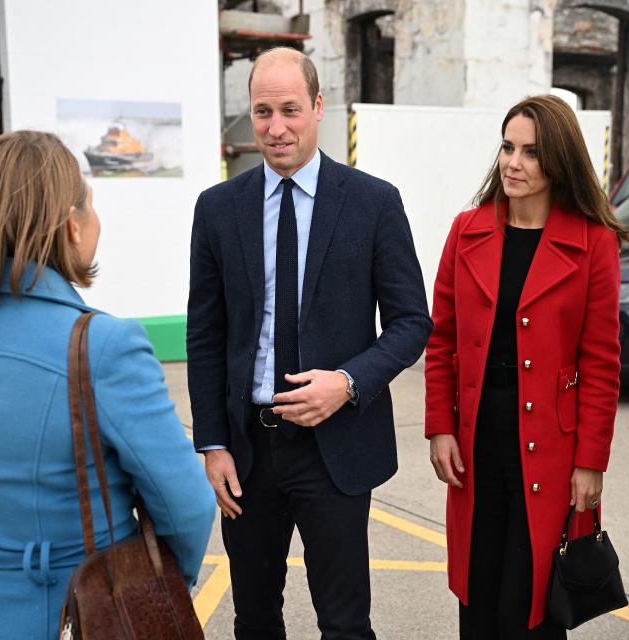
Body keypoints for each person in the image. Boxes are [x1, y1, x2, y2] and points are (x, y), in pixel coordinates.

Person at [0, 130, 216, 639]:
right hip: (77, 615)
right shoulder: (103, 345)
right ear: (70, 225)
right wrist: (154, 585)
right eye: (89, 205)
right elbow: (186, 503)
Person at [187, 47, 432, 639]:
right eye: (262, 111)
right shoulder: (218, 208)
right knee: (254, 620)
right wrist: (213, 444)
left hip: (337, 447)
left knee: (345, 624)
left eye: (290, 110)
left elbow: (411, 322)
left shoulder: (374, 202)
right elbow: (205, 332)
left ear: (319, 107)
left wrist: (346, 384)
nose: (275, 128)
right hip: (249, 450)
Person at [425, 95, 628, 639]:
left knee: (531, 601)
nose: (513, 163)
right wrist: (441, 426)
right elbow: (441, 338)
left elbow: (602, 362)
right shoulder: (466, 229)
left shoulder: (593, 243)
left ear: (559, 161)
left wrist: (591, 463)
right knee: (478, 590)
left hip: (550, 448)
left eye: (532, 152)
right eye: (508, 147)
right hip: (477, 441)